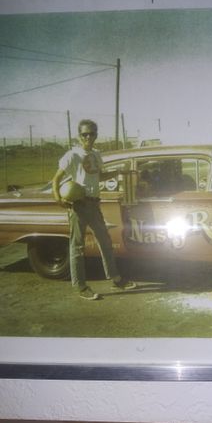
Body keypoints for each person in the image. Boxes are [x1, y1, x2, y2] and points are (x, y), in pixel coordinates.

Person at [52, 119, 136, 300]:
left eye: (91, 133)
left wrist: (120, 172)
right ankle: (81, 287)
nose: (88, 137)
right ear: (79, 136)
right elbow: (56, 178)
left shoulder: (97, 154)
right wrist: (58, 198)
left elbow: (99, 176)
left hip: (94, 204)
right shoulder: (72, 155)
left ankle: (116, 279)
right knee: (77, 247)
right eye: (84, 134)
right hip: (79, 205)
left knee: (105, 242)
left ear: (96, 135)